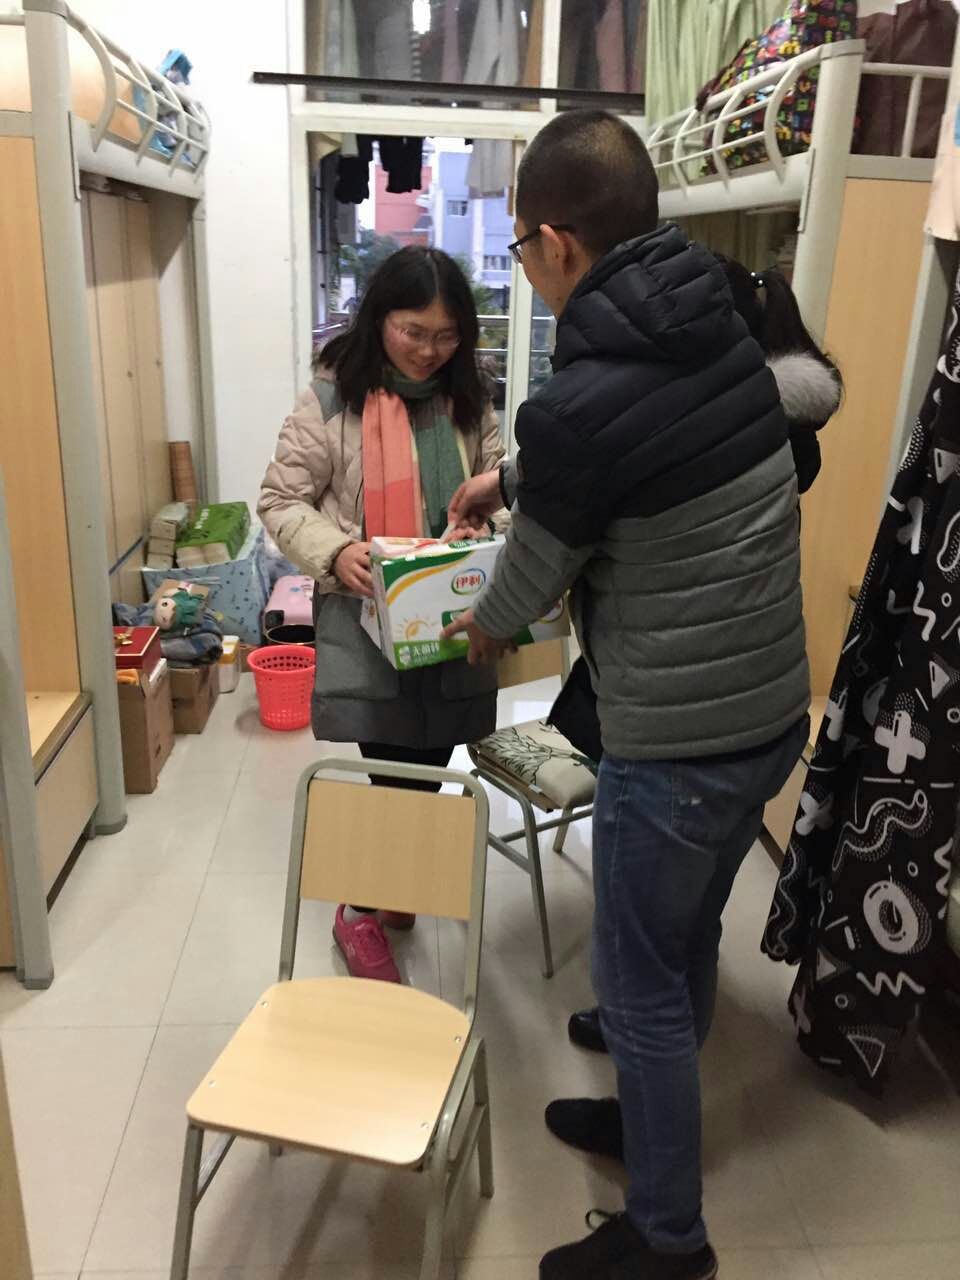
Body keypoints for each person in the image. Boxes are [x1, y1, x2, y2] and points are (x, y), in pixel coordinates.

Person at [442, 110, 811, 1280]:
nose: (523, 265)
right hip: (768, 718)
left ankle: (667, 1235)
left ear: (555, 242)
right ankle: (652, 1113)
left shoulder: (586, 393)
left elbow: (526, 585)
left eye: (519, 246)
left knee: (638, 980)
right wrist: (514, 475)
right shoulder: (716, 321)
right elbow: (629, 452)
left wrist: (476, 625)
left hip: (680, 743)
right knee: (686, 931)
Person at [562, 255, 844, 1080]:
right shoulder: (766, 417)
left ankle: (654, 1130)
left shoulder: (729, 424)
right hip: (751, 703)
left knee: (644, 952)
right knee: (688, 922)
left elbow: (618, 498)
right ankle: (648, 1043)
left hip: (688, 708)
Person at [258, 246, 504, 984]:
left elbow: (499, 490)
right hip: (366, 623)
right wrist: (336, 552)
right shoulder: (333, 398)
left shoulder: (470, 398)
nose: (429, 351)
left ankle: (389, 885)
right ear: (379, 319)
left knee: (431, 762)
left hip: (451, 616)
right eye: (412, 331)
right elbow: (281, 500)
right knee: (395, 767)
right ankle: (360, 907)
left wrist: (482, 528)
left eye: (446, 336)